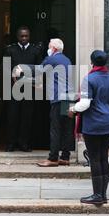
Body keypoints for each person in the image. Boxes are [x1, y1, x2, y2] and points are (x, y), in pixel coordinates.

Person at [68, 51, 109, 205]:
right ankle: (103, 194)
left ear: (92, 63)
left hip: (94, 124)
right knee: (104, 157)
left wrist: (72, 109)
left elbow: (85, 103)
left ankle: (97, 194)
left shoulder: (89, 78)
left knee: (95, 159)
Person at [35, 38, 75, 167]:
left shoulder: (52, 58)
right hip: (68, 97)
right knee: (67, 128)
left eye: (49, 46)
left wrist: (20, 69)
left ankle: (53, 158)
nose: (48, 48)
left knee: (56, 128)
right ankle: (65, 157)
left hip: (58, 98)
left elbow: (38, 69)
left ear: (54, 49)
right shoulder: (66, 59)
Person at [4, 26, 43, 152]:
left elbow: (39, 70)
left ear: (29, 36)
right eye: (22, 36)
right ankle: (11, 143)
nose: (24, 38)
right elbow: (5, 69)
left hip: (29, 90)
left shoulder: (35, 50)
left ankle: (24, 143)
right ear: (17, 37)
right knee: (12, 117)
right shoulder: (11, 50)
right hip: (14, 89)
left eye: (26, 36)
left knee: (27, 118)